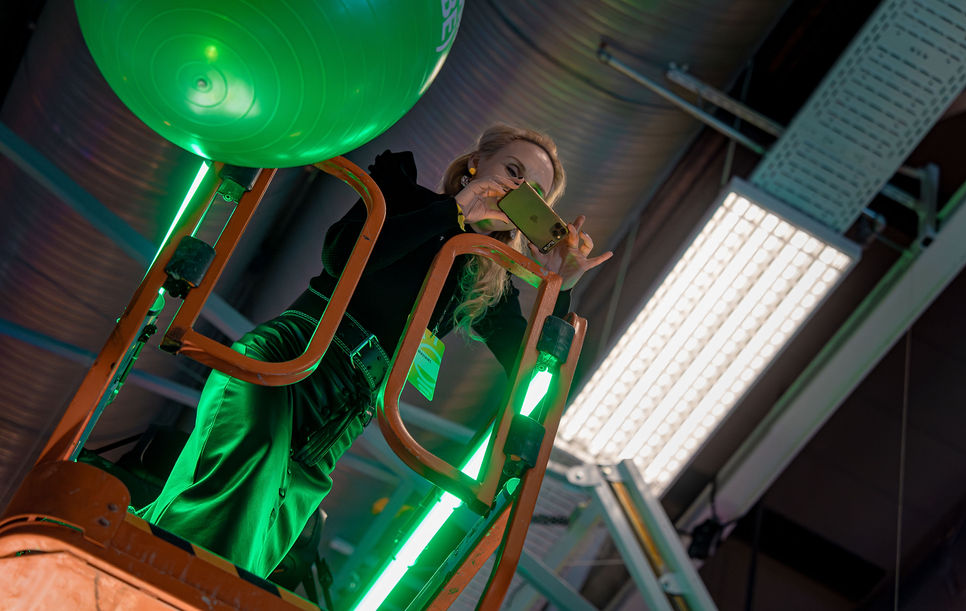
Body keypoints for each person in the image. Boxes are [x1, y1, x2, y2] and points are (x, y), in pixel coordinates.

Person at [136, 124, 612, 578]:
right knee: (243, 479)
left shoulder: (486, 276)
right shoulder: (399, 193)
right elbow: (342, 256)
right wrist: (455, 212)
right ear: (476, 163)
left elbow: (531, 370)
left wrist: (560, 287)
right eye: (513, 171)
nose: (519, 189)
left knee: (265, 536)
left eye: (536, 192)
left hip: (344, 415)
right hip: (292, 356)